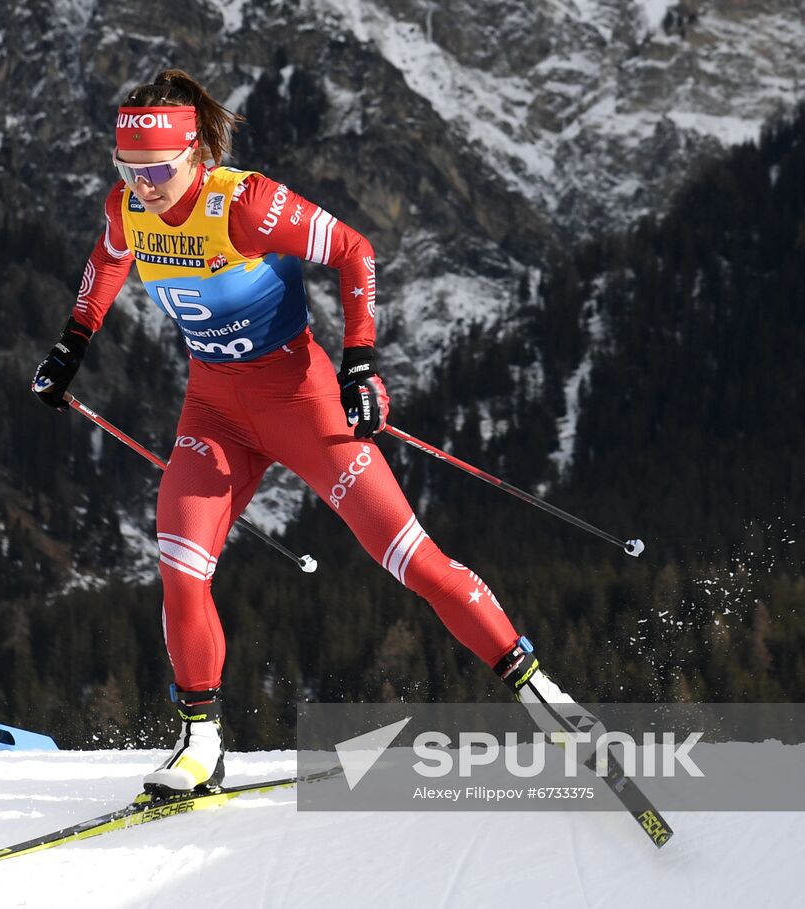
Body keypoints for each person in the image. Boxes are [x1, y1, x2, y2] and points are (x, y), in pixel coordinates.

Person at [32, 69, 545, 795]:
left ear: (194, 155)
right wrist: (71, 345)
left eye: (157, 170)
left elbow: (355, 249)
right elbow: (105, 263)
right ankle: (200, 742)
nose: (143, 185)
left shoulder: (245, 204)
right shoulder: (128, 209)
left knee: (412, 560)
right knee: (179, 567)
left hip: (300, 402)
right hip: (213, 410)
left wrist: (361, 360)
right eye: (128, 170)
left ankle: (543, 695)